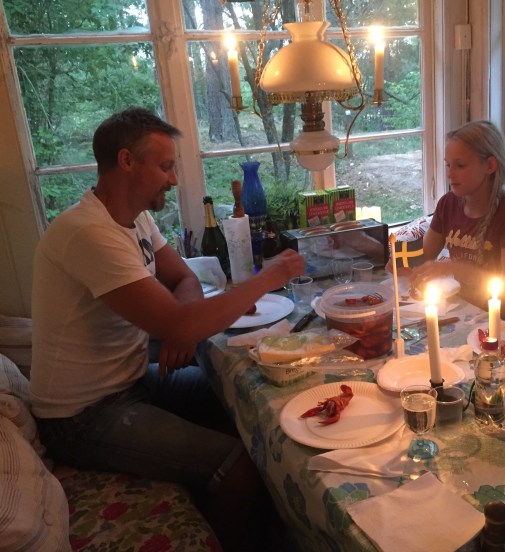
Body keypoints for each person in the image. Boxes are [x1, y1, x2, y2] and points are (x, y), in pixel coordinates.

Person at [29, 107, 305, 550]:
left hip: (133, 383)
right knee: (239, 468)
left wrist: (181, 328)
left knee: (245, 397)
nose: (173, 179)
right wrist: (268, 277)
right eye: (165, 166)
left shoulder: (134, 217)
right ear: (126, 161)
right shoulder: (87, 233)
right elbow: (183, 320)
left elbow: (184, 279)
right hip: (82, 417)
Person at [409, 120, 505, 319]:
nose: (450, 174)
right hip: (465, 311)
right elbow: (424, 253)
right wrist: (385, 252)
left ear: (490, 165)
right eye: (448, 165)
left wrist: (452, 268)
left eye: (460, 165)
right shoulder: (448, 204)